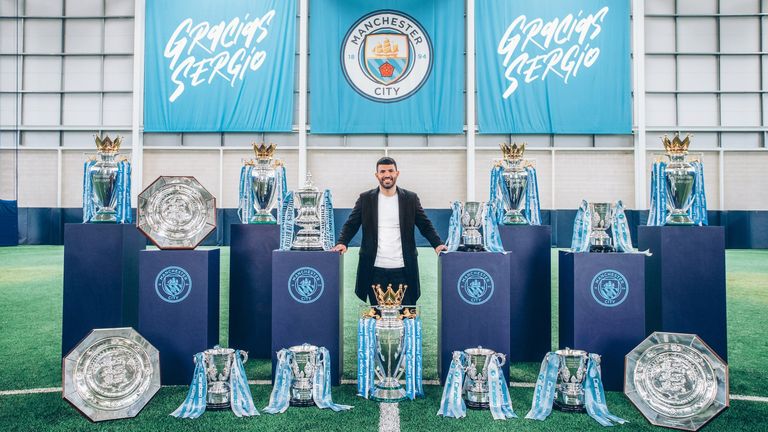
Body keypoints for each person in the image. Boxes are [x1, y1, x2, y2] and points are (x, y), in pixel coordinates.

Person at [332, 157, 448, 306]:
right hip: (374, 269)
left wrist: (437, 244)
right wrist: (342, 242)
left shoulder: (410, 199)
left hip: (404, 268)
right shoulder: (365, 199)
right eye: (382, 171)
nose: (387, 174)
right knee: (377, 317)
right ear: (377, 175)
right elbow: (351, 224)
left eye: (390, 171)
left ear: (397, 173)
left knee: (406, 316)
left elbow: (425, 224)